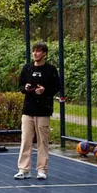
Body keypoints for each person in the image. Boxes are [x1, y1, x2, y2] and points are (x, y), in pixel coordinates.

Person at [14, 42, 60, 180]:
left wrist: (45, 91)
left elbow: (56, 87)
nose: (35, 53)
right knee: (26, 140)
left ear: (44, 54)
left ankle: (42, 170)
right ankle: (24, 169)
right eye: (34, 51)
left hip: (44, 110)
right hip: (28, 110)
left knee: (42, 141)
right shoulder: (27, 68)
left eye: (38, 51)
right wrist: (26, 88)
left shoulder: (51, 70)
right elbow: (20, 86)